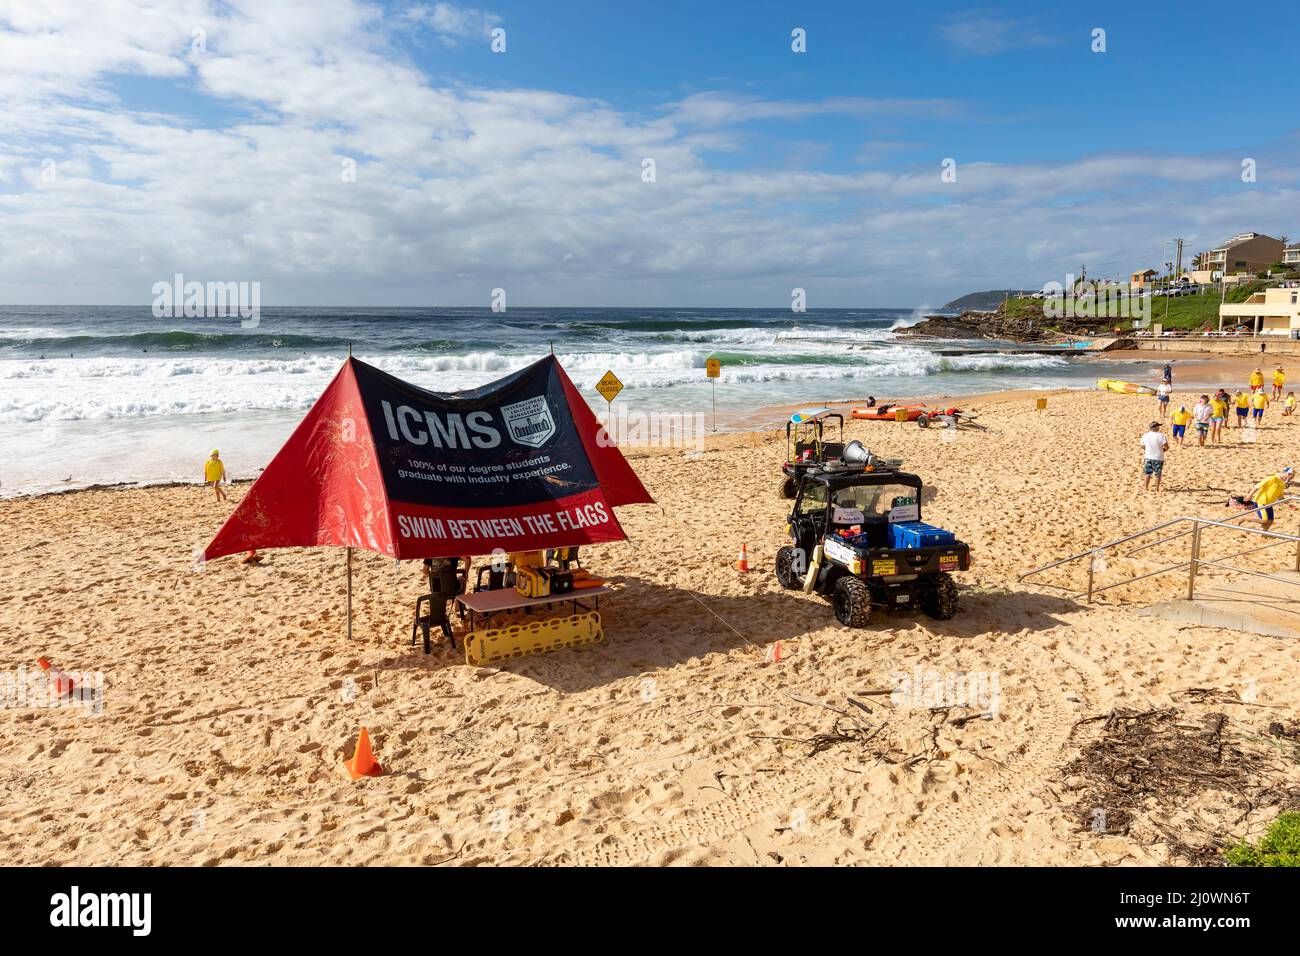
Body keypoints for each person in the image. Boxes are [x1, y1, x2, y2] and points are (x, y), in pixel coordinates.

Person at [1140, 422, 1168, 493]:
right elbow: (1166, 446)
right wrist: (1162, 451)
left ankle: (1145, 488)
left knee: (1147, 473)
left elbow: (1142, 446)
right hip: (1158, 457)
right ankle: (1156, 489)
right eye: (1158, 426)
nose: (1159, 428)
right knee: (1157, 473)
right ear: (1155, 427)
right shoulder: (1161, 435)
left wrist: (1148, 450)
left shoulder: (1145, 435)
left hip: (1148, 456)